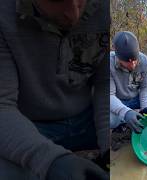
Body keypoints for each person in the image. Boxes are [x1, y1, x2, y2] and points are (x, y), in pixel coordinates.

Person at [0, 0, 109, 179]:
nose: (74, 15)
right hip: (32, 124)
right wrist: (50, 160)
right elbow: (2, 106)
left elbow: (104, 84)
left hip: (87, 118)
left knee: (121, 116)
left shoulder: (105, 7)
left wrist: (107, 149)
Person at [110, 31, 147, 134]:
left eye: (135, 60)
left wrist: (145, 106)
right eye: (128, 62)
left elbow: (145, 88)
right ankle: (126, 118)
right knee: (110, 121)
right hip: (117, 100)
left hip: (134, 99)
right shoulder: (108, 63)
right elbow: (109, 96)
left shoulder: (144, 61)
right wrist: (125, 113)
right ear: (118, 57)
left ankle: (133, 115)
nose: (133, 65)